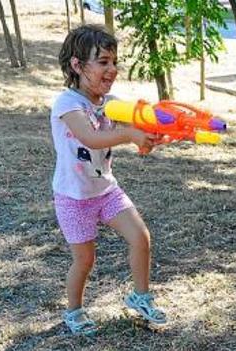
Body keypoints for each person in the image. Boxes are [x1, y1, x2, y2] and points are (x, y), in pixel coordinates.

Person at [51, 25, 167, 335]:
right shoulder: (67, 104)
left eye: (114, 62)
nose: (112, 69)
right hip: (74, 197)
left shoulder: (110, 102)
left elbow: (140, 123)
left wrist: (151, 136)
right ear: (78, 65)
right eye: (102, 62)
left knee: (140, 238)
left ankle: (141, 298)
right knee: (85, 260)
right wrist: (130, 134)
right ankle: (74, 311)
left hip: (106, 190)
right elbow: (90, 138)